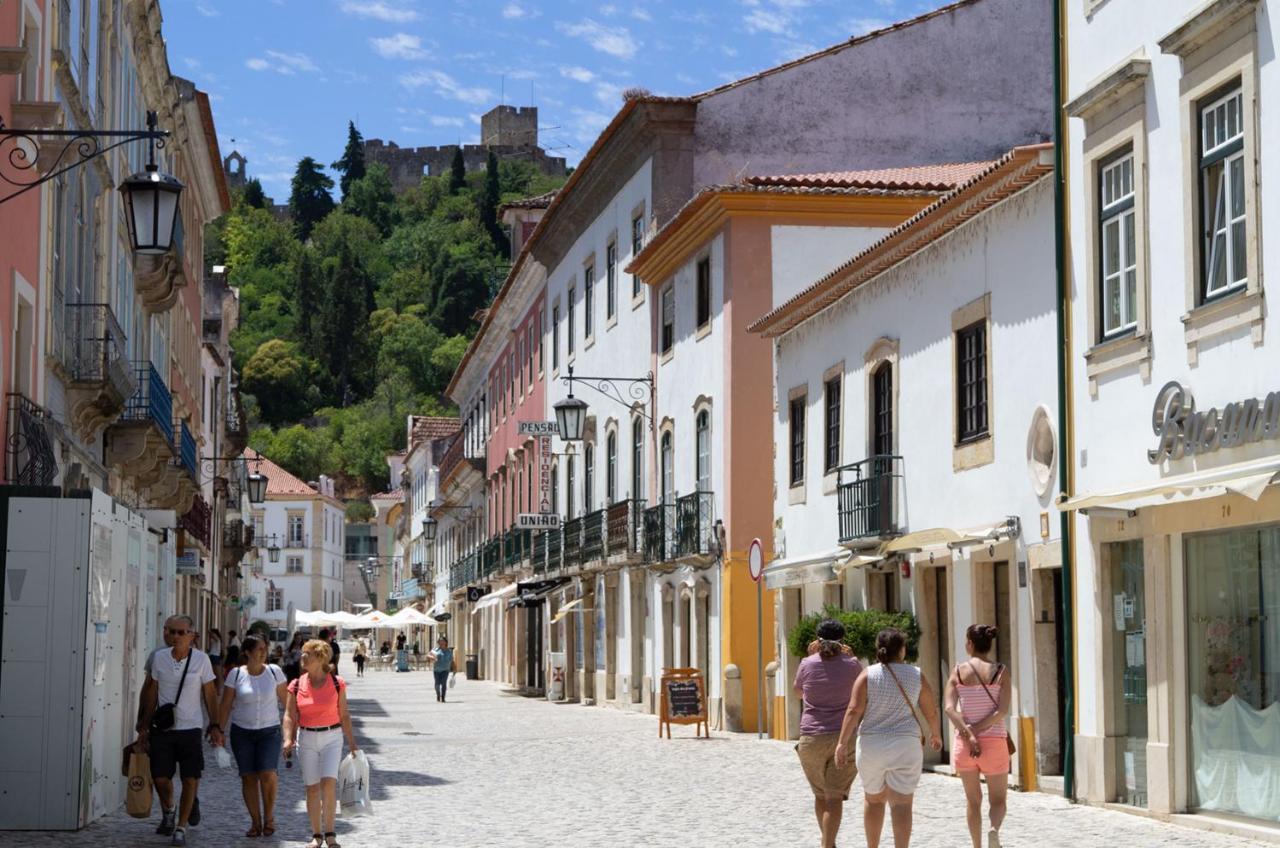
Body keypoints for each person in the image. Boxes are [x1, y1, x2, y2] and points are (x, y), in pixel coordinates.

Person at [834, 628, 942, 848]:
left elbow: (854, 710)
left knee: (873, 801)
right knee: (902, 805)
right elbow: (930, 709)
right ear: (902, 650)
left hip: (871, 745)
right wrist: (935, 732)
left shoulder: (867, 675)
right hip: (906, 744)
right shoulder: (915, 674)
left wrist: (842, 743)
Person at [134, 615, 223, 847]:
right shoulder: (159, 658)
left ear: (192, 635)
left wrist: (215, 725)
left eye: (181, 632)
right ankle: (171, 808)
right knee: (161, 778)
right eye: (171, 631)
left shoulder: (201, 660)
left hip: (190, 727)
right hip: (163, 728)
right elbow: (151, 691)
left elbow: (210, 694)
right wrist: (143, 723)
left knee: (190, 777)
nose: (175, 636)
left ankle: (181, 827)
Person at [794, 620, 864, 848]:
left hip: (811, 737)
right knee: (834, 797)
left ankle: (828, 843)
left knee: (820, 794)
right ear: (843, 640)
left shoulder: (807, 663)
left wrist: (810, 659)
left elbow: (798, 692)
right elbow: (863, 689)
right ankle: (828, 844)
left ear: (817, 638)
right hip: (843, 738)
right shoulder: (852, 664)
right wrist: (852, 658)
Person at [283, 639, 359, 848]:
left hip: (332, 737)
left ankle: (331, 833)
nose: (302, 657)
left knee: (328, 783)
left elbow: (344, 714)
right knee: (312, 789)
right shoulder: (296, 684)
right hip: (306, 738)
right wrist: (288, 738)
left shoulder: (336, 683)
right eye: (303, 653)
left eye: (307, 654)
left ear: (320, 658)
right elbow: (289, 715)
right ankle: (317, 835)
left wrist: (352, 743)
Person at [945, 624, 1012, 848]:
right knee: (998, 800)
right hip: (995, 743)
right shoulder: (1001, 671)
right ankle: (994, 829)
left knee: (973, 801)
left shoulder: (958, 672)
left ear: (970, 644)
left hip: (965, 746)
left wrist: (969, 733)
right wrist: (979, 730)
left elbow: (949, 709)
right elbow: (1001, 711)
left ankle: (976, 846)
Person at [217, 634, 288, 838]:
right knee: (248, 777)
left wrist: (293, 730)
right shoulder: (236, 674)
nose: (263, 652)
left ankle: (270, 818)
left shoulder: (275, 672)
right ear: (247, 652)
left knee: (268, 773)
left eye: (265, 648)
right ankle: (256, 822)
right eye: (259, 649)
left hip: (269, 731)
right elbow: (226, 705)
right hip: (242, 733)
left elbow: (287, 703)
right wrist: (219, 730)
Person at [429, 636, 455, 702]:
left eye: (443, 641)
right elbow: (428, 655)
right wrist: (432, 658)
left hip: (445, 670)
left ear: (446, 642)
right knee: (437, 684)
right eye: (440, 641)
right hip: (436, 670)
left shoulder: (449, 651)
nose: (441, 642)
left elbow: (452, 661)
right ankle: (438, 695)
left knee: (443, 683)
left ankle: (443, 697)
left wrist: (454, 670)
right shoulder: (435, 649)